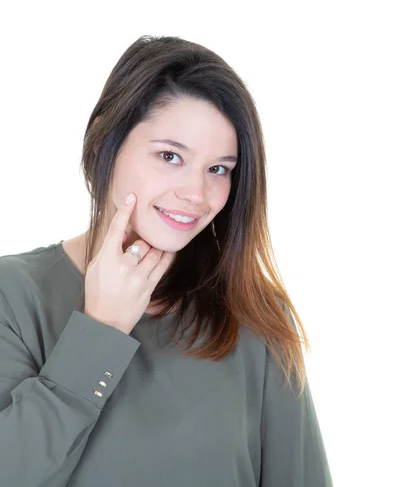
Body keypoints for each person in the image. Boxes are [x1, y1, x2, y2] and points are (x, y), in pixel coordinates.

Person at [0, 35, 334, 486]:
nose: (196, 194)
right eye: (170, 156)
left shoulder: (254, 316)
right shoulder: (14, 297)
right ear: (104, 144)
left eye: (219, 169)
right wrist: (100, 331)